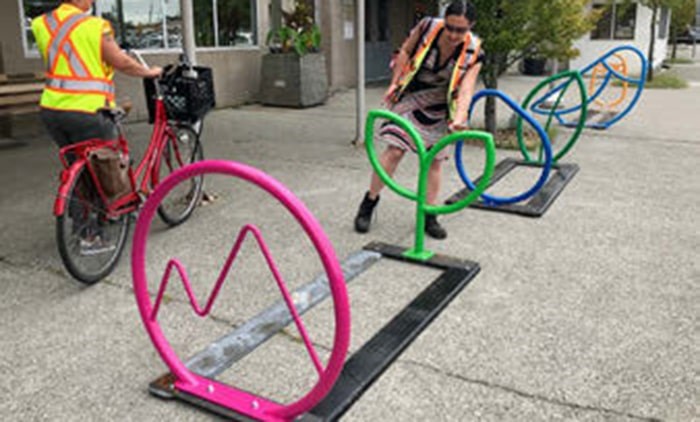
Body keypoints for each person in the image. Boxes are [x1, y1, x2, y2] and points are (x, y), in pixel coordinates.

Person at [354, 1, 483, 239]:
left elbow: (466, 90)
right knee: (395, 150)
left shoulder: (474, 51)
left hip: (441, 106)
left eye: (461, 30)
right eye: (450, 27)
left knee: (434, 161)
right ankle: (369, 203)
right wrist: (395, 82)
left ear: (470, 27)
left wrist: (459, 118)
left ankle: (429, 215)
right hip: (412, 95)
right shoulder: (427, 27)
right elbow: (405, 51)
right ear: (444, 21)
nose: (454, 34)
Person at [31, 0, 162, 152]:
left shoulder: (41, 24)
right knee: (106, 167)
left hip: (51, 108)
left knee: (77, 163)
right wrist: (150, 72)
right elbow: (122, 62)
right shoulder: (95, 25)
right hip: (89, 109)